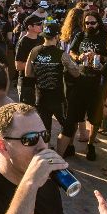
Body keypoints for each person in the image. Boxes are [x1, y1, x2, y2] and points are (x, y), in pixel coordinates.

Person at [25, 21, 82, 158]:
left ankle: (46, 158)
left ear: (44, 36)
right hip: (58, 99)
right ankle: (59, 155)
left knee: (45, 130)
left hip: (41, 97)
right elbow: (76, 73)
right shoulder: (61, 54)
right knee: (68, 127)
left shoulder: (34, 51)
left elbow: (28, 73)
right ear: (57, 37)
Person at [67, 12, 107, 158]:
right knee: (74, 114)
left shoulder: (105, 36)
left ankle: (91, 145)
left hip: (97, 81)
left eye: (92, 23)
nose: (89, 26)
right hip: (80, 79)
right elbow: (71, 52)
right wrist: (79, 57)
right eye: (87, 23)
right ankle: (70, 145)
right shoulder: (80, 35)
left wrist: (99, 57)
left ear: (98, 23)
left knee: (95, 117)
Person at [14, 14, 43, 106]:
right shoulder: (22, 42)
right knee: (27, 113)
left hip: (40, 82)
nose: (41, 25)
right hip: (26, 83)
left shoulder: (41, 39)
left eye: (41, 23)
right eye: (38, 24)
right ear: (30, 27)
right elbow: (18, 66)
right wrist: (36, 63)